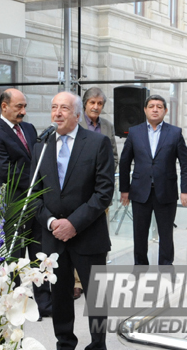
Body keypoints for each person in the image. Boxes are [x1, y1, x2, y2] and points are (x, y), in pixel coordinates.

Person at [31, 91, 114, 350]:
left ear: (77, 114)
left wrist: (74, 224)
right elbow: (33, 194)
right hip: (53, 237)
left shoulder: (97, 143)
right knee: (60, 296)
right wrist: (53, 222)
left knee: (96, 298)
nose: (57, 113)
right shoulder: (41, 146)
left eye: (64, 108)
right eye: (54, 107)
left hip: (88, 235)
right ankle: (65, 348)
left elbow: (104, 192)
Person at [0, 88, 51, 318]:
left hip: (37, 201)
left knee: (39, 252)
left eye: (24, 107)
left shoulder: (29, 129)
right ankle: (17, 305)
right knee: (15, 255)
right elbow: (5, 170)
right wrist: (37, 181)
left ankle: (45, 303)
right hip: (15, 202)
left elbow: (39, 158)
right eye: (18, 107)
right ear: (4, 106)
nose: (23, 111)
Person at [119, 94, 187, 265]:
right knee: (140, 233)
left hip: (166, 191)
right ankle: (140, 267)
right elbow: (124, 162)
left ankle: (166, 267)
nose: (155, 109)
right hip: (139, 191)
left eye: (159, 106)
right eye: (151, 106)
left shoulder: (175, 133)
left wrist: (186, 190)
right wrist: (124, 189)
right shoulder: (134, 132)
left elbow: (185, 163)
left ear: (165, 111)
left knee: (166, 233)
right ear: (145, 110)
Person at [74, 87, 118, 299]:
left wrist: (104, 178)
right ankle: (76, 281)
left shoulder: (107, 126)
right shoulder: (76, 124)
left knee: (100, 236)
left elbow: (114, 157)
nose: (96, 107)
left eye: (100, 103)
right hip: (77, 192)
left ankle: (98, 278)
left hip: (101, 193)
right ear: (84, 104)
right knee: (78, 232)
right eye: (92, 102)